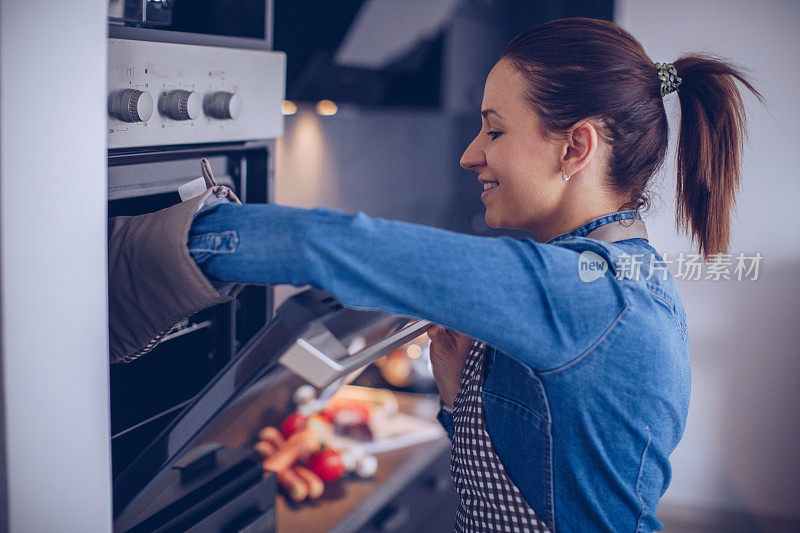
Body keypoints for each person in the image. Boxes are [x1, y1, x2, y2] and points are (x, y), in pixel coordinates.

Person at [108, 17, 762, 532]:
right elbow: (545, 478)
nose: (470, 153)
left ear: (576, 147)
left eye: (495, 130)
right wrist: (457, 402)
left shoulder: (581, 289)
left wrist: (140, 252)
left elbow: (341, 248)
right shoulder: (625, 273)